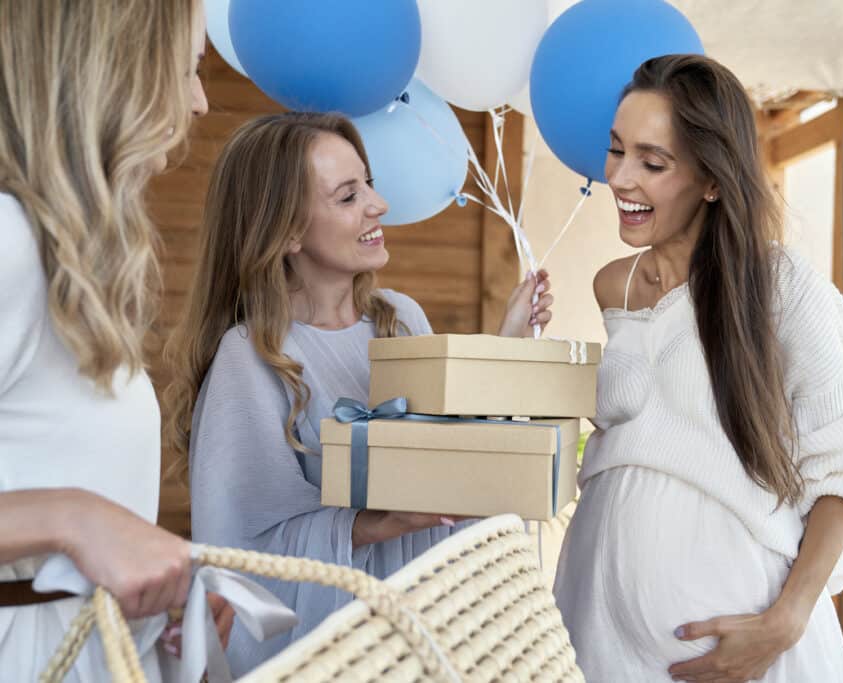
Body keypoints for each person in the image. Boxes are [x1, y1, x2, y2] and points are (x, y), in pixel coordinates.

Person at [163, 111, 553, 673]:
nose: (379, 205)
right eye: (348, 196)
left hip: (429, 628)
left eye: (368, 182)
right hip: (341, 647)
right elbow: (242, 554)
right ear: (287, 231)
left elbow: (447, 457)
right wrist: (378, 522)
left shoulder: (399, 317)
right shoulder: (248, 357)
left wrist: (506, 346)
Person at [552, 54, 843, 682]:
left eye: (653, 163)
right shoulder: (615, 287)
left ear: (712, 179)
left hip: (748, 648)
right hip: (600, 635)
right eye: (616, 151)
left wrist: (784, 622)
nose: (621, 179)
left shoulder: (783, 288)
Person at [0, 1, 231, 679]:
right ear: (119, 70)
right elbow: (70, 515)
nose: (199, 103)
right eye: (187, 69)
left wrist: (155, 590)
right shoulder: (8, 243)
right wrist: (75, 519)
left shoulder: (62, 263)